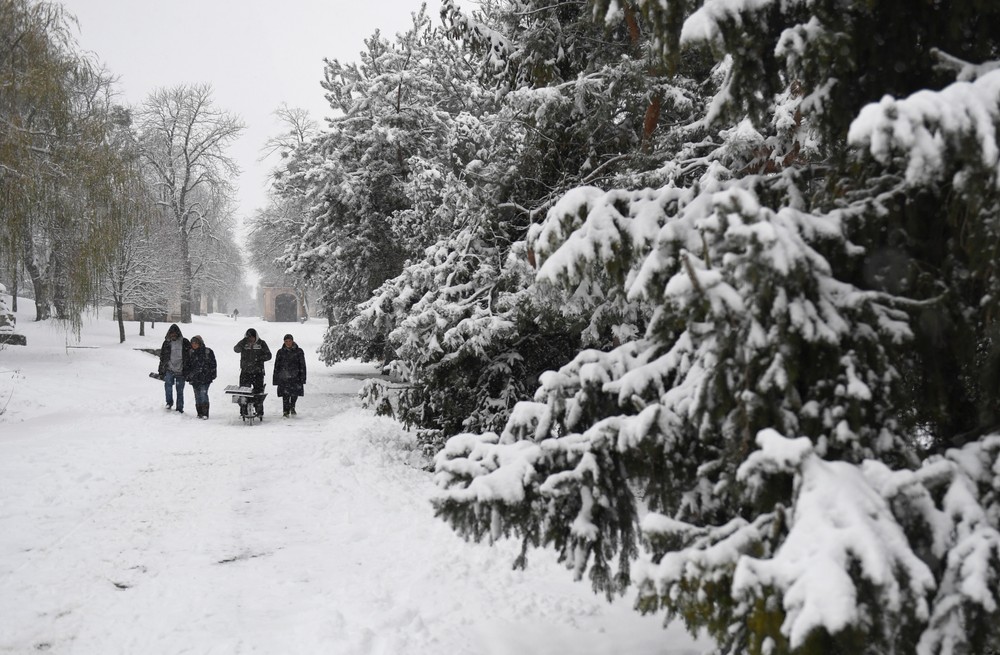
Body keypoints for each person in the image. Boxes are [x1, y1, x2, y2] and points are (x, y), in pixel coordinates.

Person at [234, 327, 271, 420]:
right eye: (249, 337)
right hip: (245, 372)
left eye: (252, 337)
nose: (251, 339)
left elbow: (269, 355)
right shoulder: (244, 344)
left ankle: (259, 411)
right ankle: (243, 411)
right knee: (244, 392)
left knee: (258, 393)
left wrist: (259, 358)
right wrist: (243, 341)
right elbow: (236, 349)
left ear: (256, 337)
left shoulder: (262, 343)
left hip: (258, 372)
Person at [157, 323, 190, 413]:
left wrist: (188, 370)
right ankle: (169, 403)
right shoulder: (166, 343)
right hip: (169, 369)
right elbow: (162, 357)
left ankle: (179, 408)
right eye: (172, 333)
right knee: (168, 387)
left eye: (175, 333)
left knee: (180, 390)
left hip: (181, 370)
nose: (173, 335)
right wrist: (161, 370)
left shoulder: (185, 342)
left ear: (178, 333)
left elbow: (190, 356)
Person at [273, 333, 307, 417]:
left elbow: (302, 364)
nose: (288, 343)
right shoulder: (280, 352)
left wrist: (303, 376)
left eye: (289, 341)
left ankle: (292, 406)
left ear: (293, 341)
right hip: (284, 377)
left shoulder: (299, 351)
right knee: (285, 395)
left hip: (296, 376)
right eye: (286, 341)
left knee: (294, 394)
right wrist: (276, 378)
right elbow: (277, 365)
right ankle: (285, 410)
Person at [187, 335, 217, 420]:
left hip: (205, 377)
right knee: (197, 396)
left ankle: (205, 413)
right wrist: (188, 375)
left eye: (196, 343)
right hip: (194, 378)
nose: (194, 345)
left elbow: (213, 364)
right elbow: (188, 365)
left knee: (203, 394)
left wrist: (212, 374)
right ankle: (199, 412)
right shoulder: (190, 352)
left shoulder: (208, 352)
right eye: (192, 343)